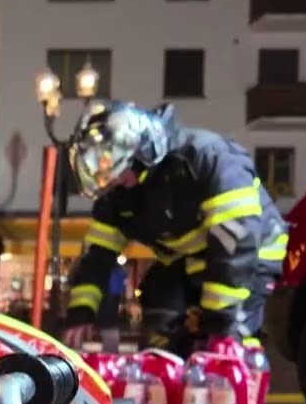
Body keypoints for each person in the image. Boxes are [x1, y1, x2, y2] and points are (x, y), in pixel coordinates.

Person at [60, 100, 289, 356]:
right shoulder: (119, 193)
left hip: (252, 256)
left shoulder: (207, 158)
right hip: (189, 260)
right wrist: (81, 311)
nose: (117, 183)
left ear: (143, 154)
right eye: (108, 179)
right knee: (159, 314)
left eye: (120, 172)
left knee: (229, 343)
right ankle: (169, 371)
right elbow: (98, 256)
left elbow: (236, 242)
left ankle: (240, 370)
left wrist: (222, 323)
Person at [96, 261, 126, 354]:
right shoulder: (119, 270)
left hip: (108, 298)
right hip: (112, 298)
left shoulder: (108, 270)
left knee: (108, 323)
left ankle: (110, 350)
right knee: (110, 324)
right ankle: (111, 350)